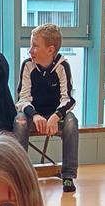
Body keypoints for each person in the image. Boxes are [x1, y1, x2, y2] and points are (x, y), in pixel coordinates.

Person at [13, 23, 78, 193]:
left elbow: (69, 99)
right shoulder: (27, 65)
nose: (30, 50)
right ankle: (19, 176)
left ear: (50, 50)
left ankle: (68, 176)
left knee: (71, 122)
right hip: (34, 116)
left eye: (35, 46)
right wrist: (34, 115)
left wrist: (56, 116)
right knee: (19, 120)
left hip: (55, 116)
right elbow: (22, 99)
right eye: (31, 45)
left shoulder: (63, 66)